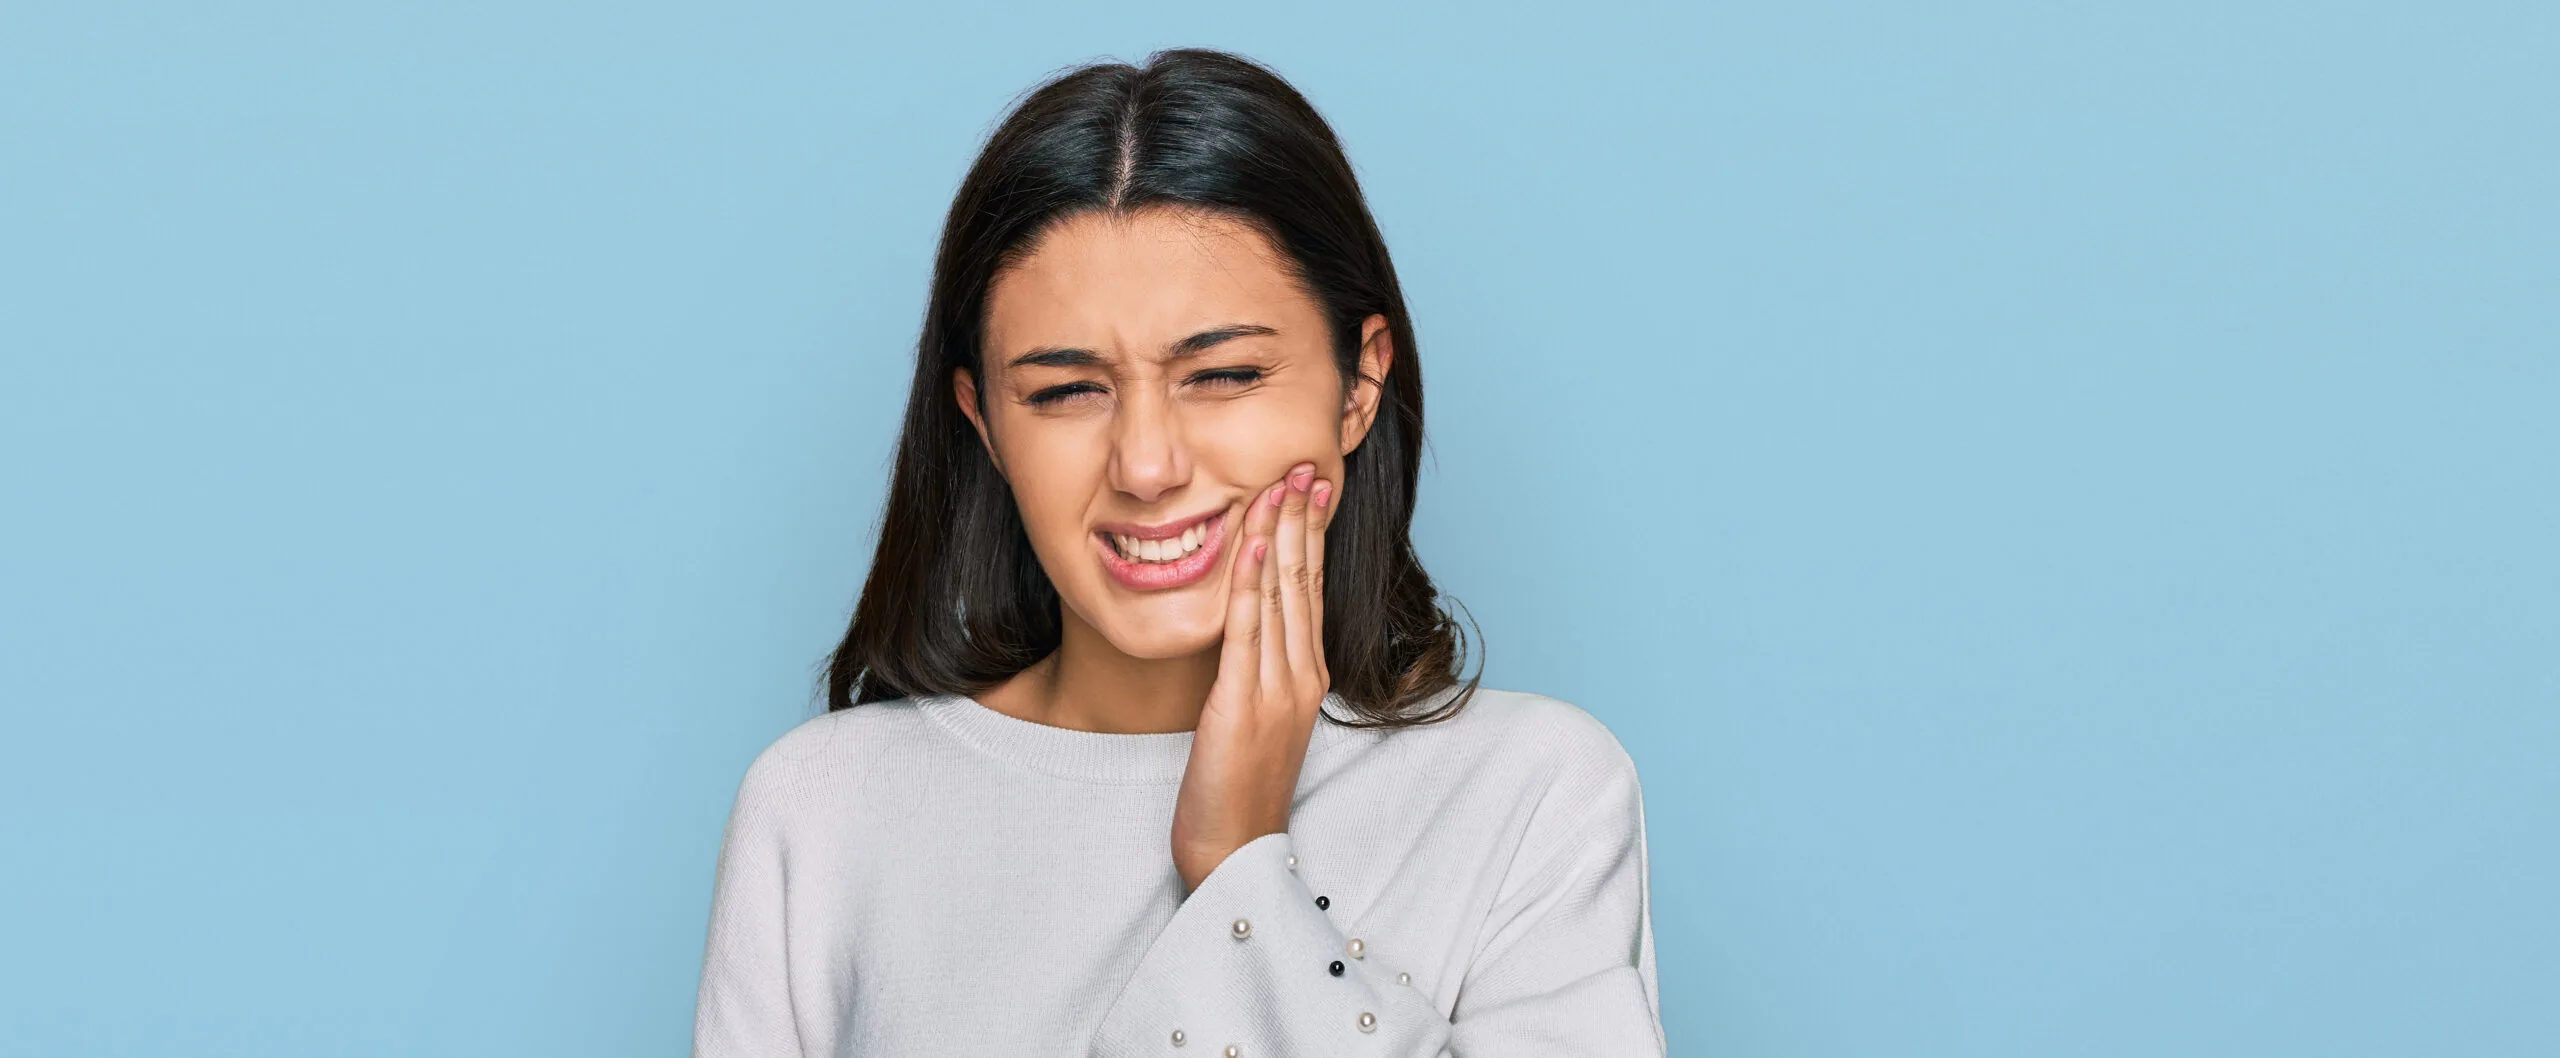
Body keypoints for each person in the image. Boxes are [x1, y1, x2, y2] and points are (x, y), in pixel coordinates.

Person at [692, 47, 1663, 1057]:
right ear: (984, 422)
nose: (1146, 465)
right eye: (1065, 390)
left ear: (1357, 387)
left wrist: (1242, 864)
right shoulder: (823, 811)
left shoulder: (1530, 791)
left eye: (1224, 373)